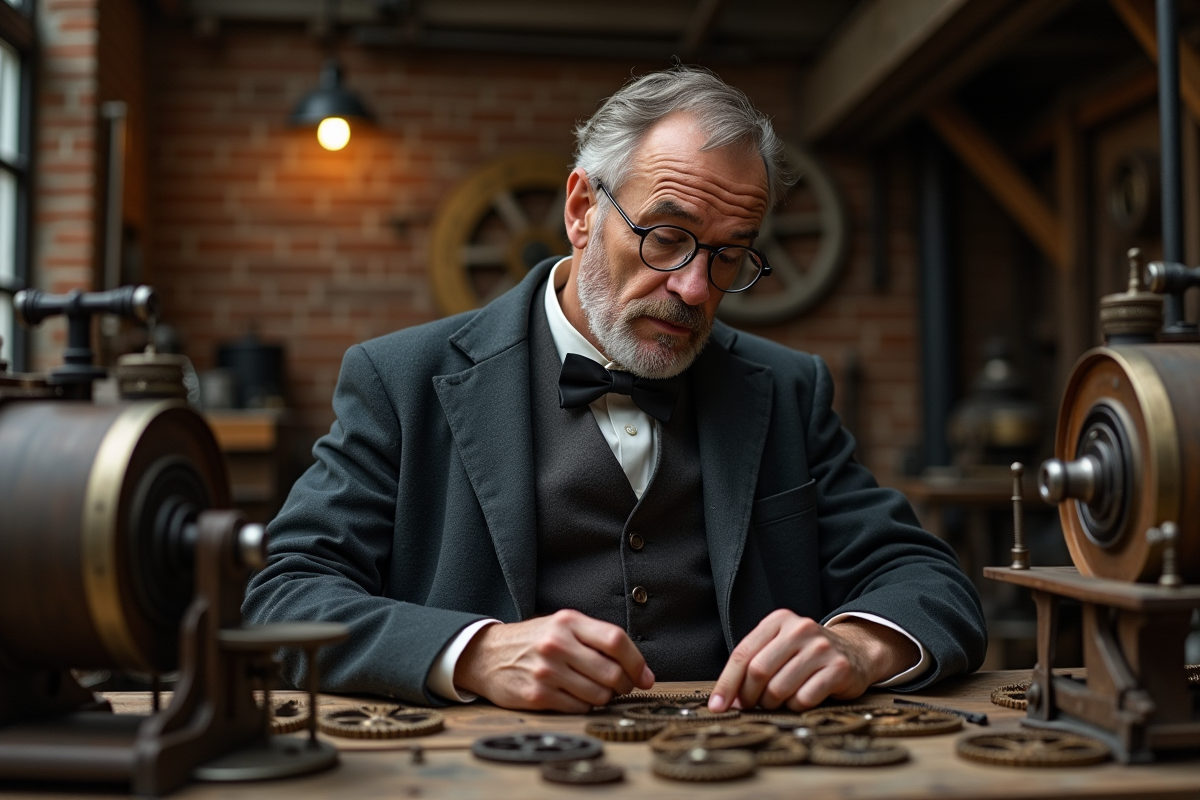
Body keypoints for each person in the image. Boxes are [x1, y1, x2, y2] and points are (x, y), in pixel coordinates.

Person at [244, 66, 986, 714]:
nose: (694, 289)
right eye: (666, 237)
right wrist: (472, 653)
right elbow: (282, 599)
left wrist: (857, 646)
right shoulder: (398, 380)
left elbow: (928, 581)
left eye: (729, 256)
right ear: (581, 211)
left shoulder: (788, 390)